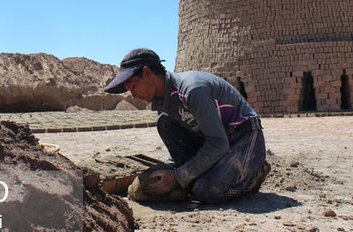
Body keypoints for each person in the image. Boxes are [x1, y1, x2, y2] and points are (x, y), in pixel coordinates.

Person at [104, 48, 270, 204]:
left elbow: (218, 143)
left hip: (244, 136)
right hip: (216, 140)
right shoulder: (164, 103)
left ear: (147, 73)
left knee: (205, 191)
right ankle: (216, 172)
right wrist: (170, 170)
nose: (133, 95)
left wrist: (178, 176)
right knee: (164, 122)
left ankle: (252, 173)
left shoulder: (191, 90)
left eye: (133, 86)